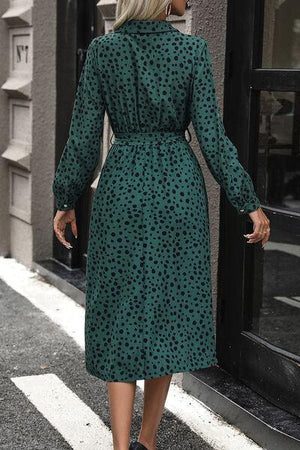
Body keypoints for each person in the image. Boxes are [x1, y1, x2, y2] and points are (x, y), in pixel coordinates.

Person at [52, 0, 271, 449]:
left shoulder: (103, 51)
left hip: (123, 187)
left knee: (119, 311)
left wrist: (65, 197)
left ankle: (120, 445)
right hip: (177, 188)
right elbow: (212, 137)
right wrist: (248, 201)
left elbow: (83, 134)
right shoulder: (192, 51)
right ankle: (147, 440)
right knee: (167, 311)